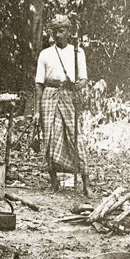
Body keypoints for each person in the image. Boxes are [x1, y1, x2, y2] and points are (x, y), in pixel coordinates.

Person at [33, 14, 92, 197]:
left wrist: (78, 86)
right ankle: (54, 182)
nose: (59, 35)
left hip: (68, 96)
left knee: (76, 138)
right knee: (50, 137)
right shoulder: (46, 54)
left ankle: (85, 184)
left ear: (68, 32)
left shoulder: (77, 53)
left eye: (62, 30)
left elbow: (83, 79)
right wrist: (36, 111)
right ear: (51, 33)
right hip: (49, 97)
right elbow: (38, 84)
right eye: (55, 31)